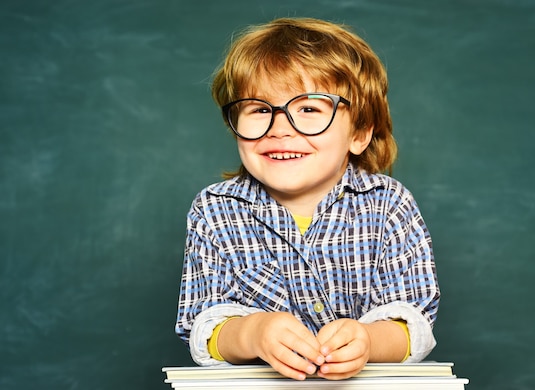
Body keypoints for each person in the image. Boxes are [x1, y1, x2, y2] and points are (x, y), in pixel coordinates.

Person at [175, 17, 439, 381]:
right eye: (260, 109)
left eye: (310, 109)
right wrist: (253, 332)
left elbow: (413, 324)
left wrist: (367, 340)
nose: (281, 128)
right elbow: (205, 329)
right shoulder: (214, 211)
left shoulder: (390, 205)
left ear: (360, 133)